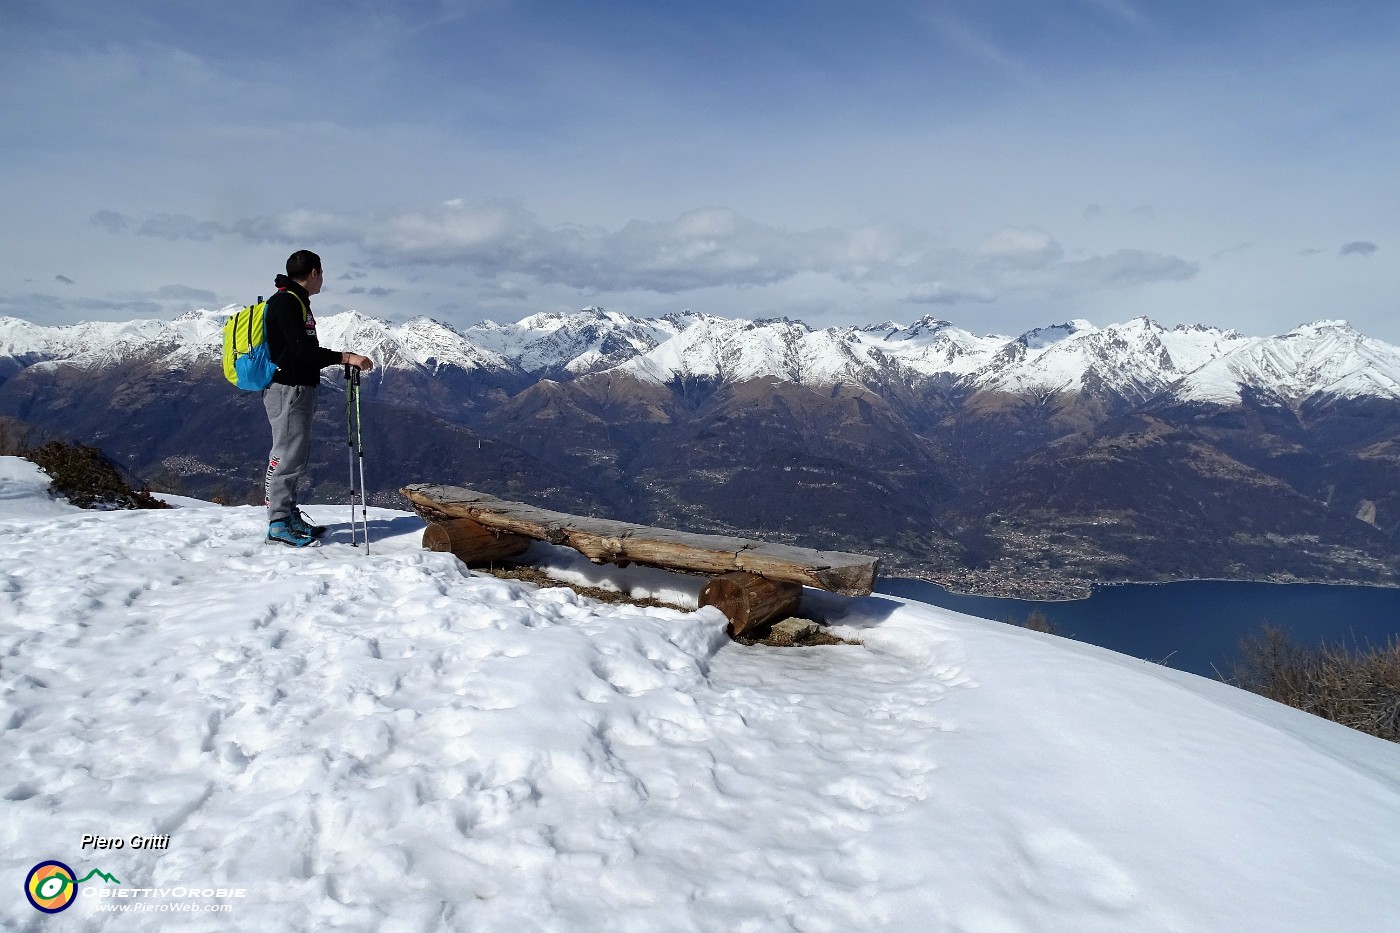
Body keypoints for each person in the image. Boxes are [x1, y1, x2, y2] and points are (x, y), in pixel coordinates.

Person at [262, 249, 375, 547]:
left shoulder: (295, 301)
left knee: (295, 454)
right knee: (286, 454)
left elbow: (301, 350)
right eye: (321, 272)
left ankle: (287, 515)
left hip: (295, 388)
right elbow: (303, 351)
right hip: (289, 388)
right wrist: (346, 357)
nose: (323, 278)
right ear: (313, 272)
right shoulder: (287, 302)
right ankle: (277, 523)